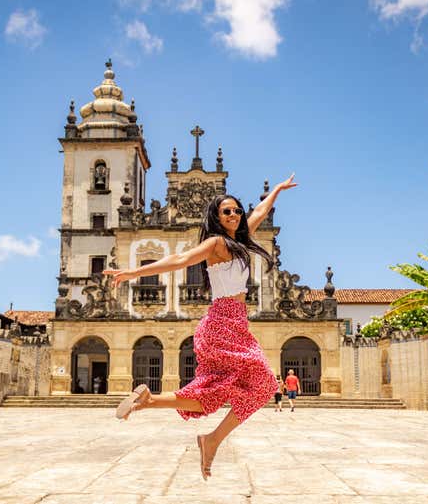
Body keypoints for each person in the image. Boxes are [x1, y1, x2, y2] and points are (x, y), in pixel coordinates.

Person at [105, 174, 298, 481]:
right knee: (261, 385)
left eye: (236, 210)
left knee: (223, 393)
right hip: (223, 321)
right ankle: (209, 438)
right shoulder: (216, 243)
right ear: (217, 218)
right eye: (227, 212)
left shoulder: (239, 241)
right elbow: (180, 259)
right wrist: (132, 272)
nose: (234, 215)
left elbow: (259, 212)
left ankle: (154, 404)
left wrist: (276, 190)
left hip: (234, 322)